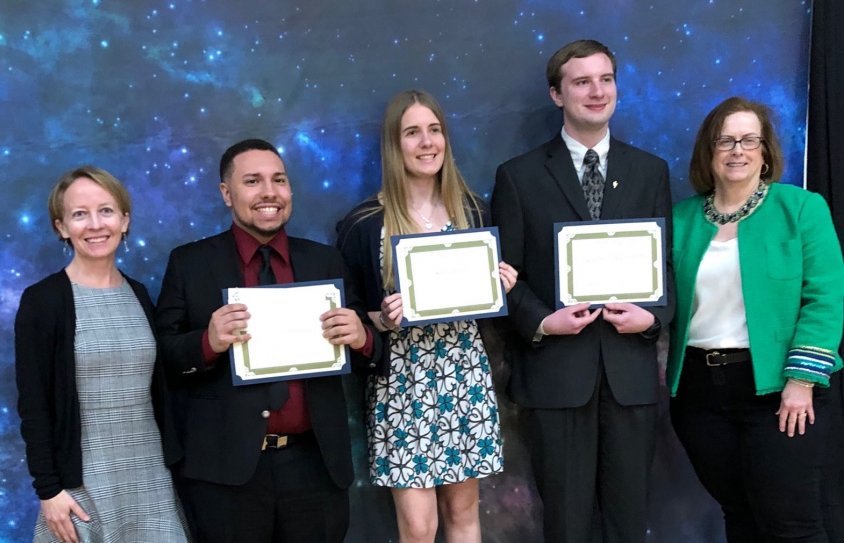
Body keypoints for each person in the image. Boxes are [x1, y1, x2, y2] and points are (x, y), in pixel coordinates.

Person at [490, 39, 673, 542]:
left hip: (628, 378)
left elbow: (666, 269)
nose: (597, 91)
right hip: (556, 378)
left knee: (628, 522)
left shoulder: (650, 171)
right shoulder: (519, 176)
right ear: (556, 94)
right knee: (567, 523)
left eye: (606, 79)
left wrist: (653, 319)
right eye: (582, 81)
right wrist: (542, 321)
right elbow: (504, 277)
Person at [155, 138, 381, 543]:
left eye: (279, 180)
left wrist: (362, 337)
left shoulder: (324, 261)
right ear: (227, 193)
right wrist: (206, 342)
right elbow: (165, 359)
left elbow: (371, 353)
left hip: (315, 466)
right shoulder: (189, 264)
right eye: (253, 181)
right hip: (226, 474)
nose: (269, 193)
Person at [336, 89, 517, 543]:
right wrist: (382, 318)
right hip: (401, 382)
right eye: (412, 133)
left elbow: (484, 302)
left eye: (434, 130)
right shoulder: (363, 223)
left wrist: (500, 283)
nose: (426, 143)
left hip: (464, 375)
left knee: (464, 513)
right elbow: (351, 314)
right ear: (394, 145)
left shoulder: (473, 211)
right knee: (419, 527)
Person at [668, 96, 844, 542]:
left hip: (780, 391)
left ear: (765, 152)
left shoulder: (801, 208)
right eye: (725, 140)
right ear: (708, 151)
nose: (737, 150)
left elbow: (824, 299)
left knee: (792, 526)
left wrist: (801, 382)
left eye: (749, 140)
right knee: (739, 516)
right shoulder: (682, 218)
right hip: (700, 394)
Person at [14, 166, 188, 543]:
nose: (95, 224)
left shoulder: (140, 295)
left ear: (125, 220)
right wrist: (49, 491)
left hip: (150, 478)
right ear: (61, 227)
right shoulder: (42, 302)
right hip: (80, 487)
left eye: (106, 211)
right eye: (80, 214)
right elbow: (34, 406)